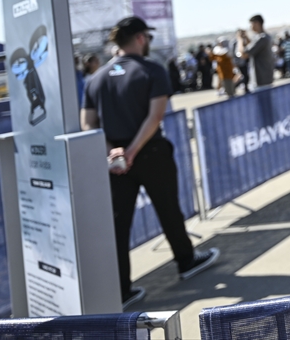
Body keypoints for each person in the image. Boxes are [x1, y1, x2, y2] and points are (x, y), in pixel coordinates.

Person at [81, 17, 219, 308]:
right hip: (150, 152)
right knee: (168, 209)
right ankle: (186, 261)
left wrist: (114, 152)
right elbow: (155, 117)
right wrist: (131, 151)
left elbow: (88, 125)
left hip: (115, 161)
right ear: (142, 38)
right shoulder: (152, 69)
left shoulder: (96, 78)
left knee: (118, 225)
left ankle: (121, 289)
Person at [237, 15, 275, 90]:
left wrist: (240, 40)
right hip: (264, 79)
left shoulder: (262, 38)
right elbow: (252, 48)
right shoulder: (265, 37)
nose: (250, 27)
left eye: (251, 24)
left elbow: (244, 54)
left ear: (257, 23)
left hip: (260, 80)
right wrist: (246, 38)